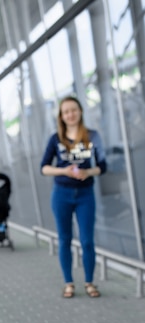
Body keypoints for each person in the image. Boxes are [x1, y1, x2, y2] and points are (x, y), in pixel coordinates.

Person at [40, 96, 107, 298]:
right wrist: (64, 171)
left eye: (74, 110)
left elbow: (102, 166)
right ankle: (68, 283)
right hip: (61, 195)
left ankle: (89, 282)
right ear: (61, 116)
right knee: (65, 239)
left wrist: (88, 172)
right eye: (66, 111)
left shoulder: (92, 136)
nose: (70, 114)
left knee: (87, 241)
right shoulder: (55, 139)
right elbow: (44, 168)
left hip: (85, 195)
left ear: (80, 111)